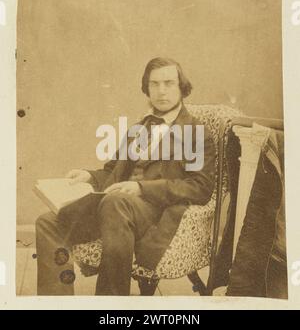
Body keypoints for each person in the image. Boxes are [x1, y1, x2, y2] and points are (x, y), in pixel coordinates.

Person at [35, 57, 216, 295]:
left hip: (157, 212)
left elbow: (200, 187)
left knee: (115, 202)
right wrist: (88, 177)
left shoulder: (196, 133)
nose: (161, 91)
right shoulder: (139, 128)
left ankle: (112, 305)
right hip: (114, 206)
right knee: (48, 222)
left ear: (182, 87)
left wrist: (141, 188)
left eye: (169, 83)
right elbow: (113, 171)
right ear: (146, 88)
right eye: (155, 84)